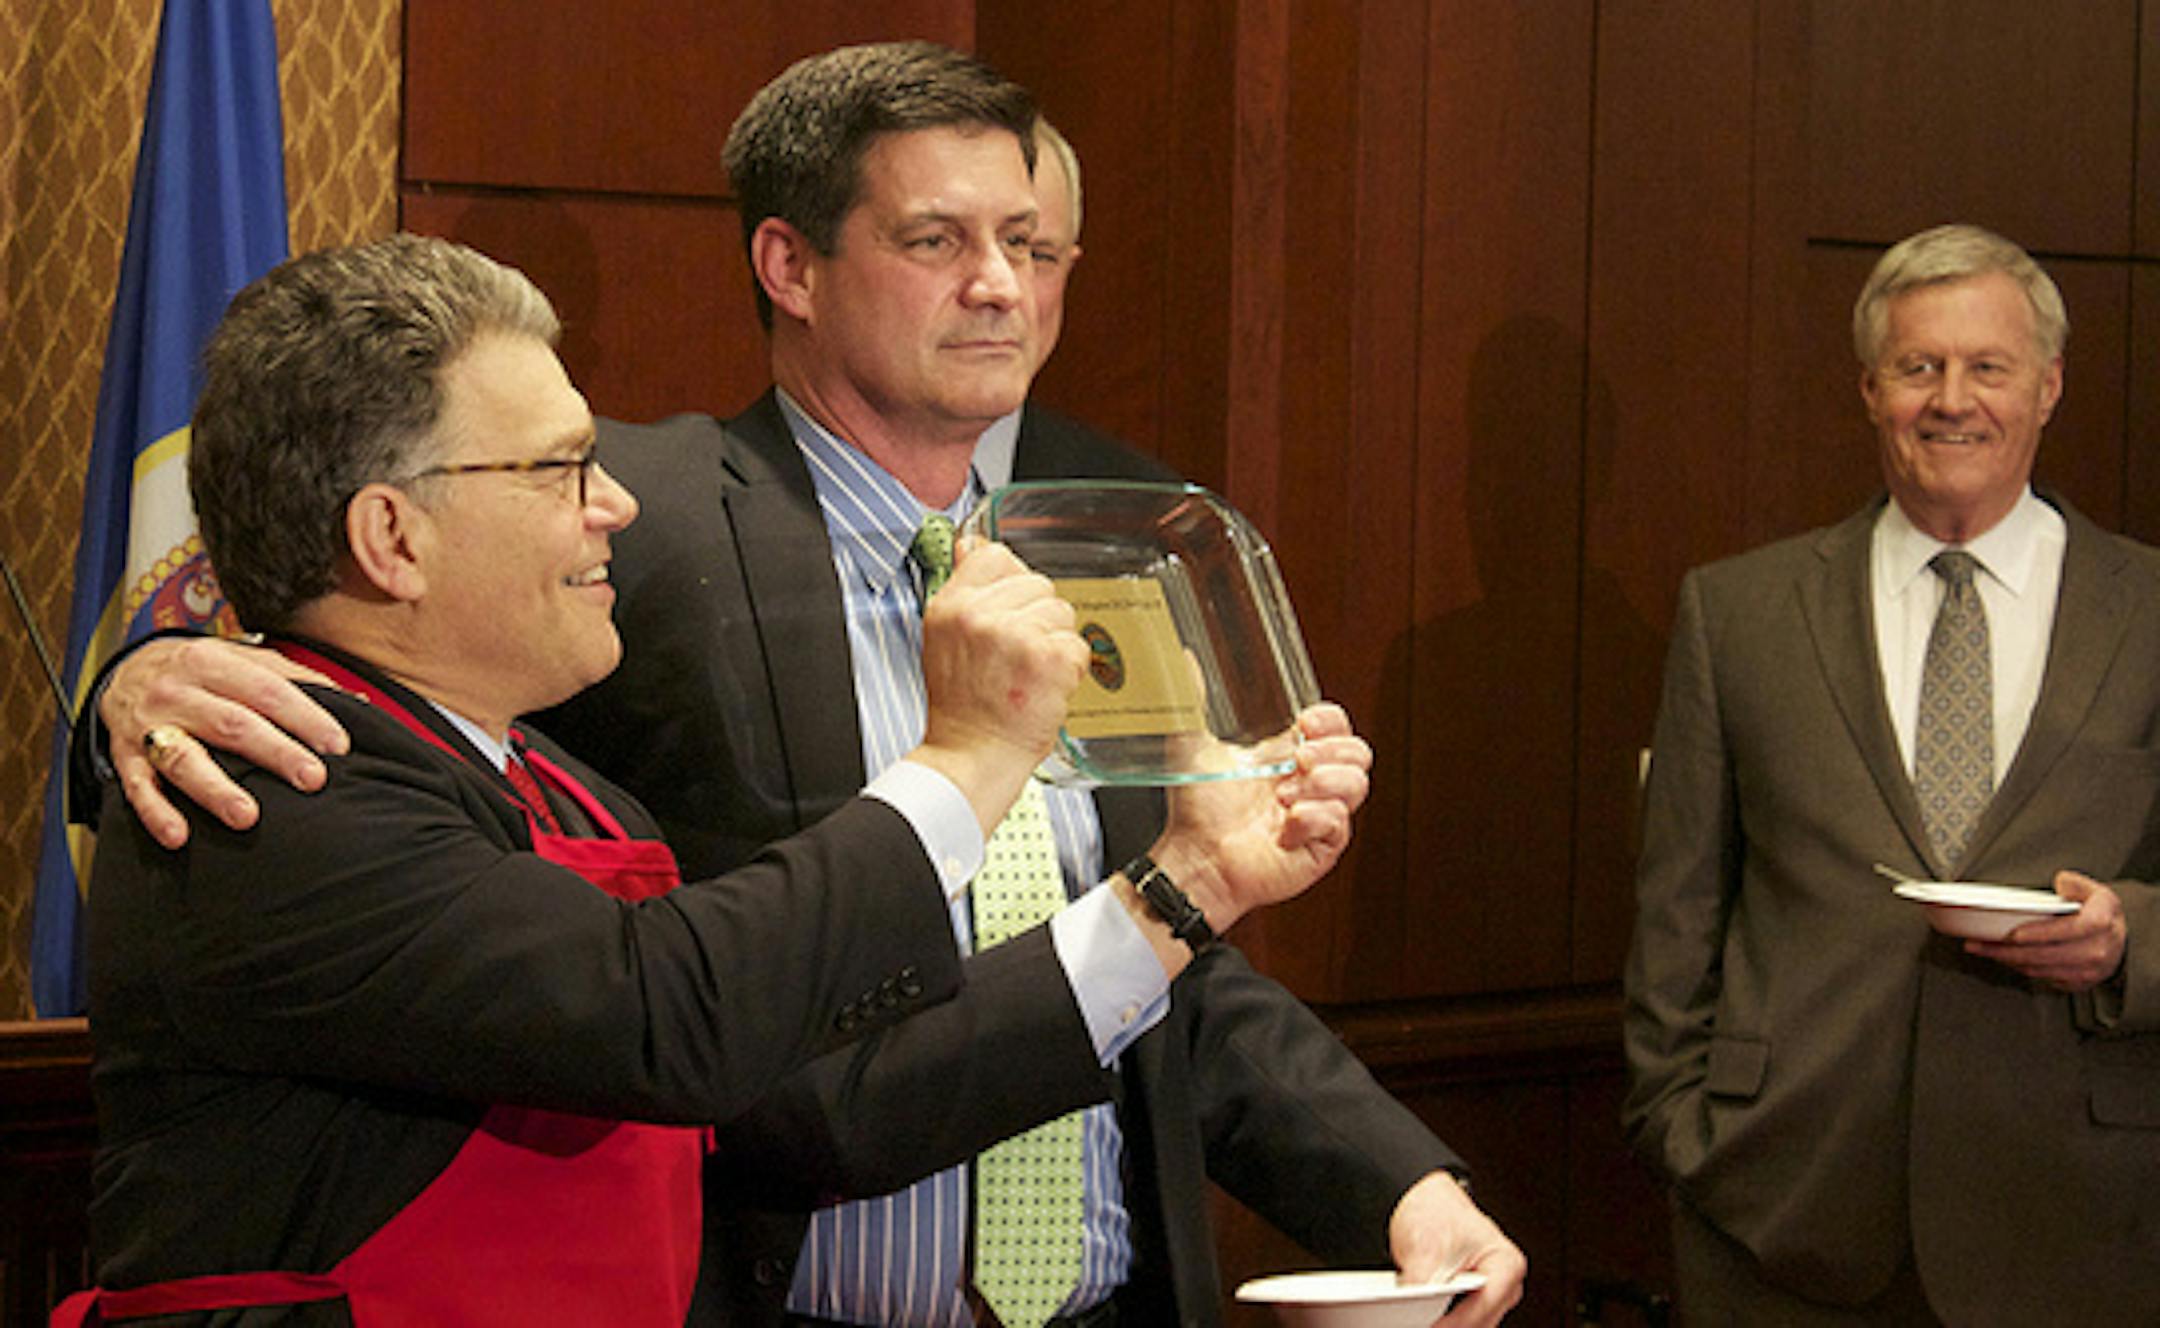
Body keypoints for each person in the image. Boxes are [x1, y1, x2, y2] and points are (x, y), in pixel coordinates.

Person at [82, 42, 1524, 1328]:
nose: (999, 285)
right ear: (791, 264)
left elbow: (1156, 944)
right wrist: (138, 685)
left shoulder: (1122, 527)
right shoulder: (629, 535)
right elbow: (345, 689)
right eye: (937, 238)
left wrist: (1389, 1175)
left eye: (1030, 241)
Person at [1623, 223, 2160, 1325]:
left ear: (2049, 387)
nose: (1951, 399)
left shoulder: (2151, 613)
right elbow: (1676, 912)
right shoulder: (1739, 613)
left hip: (2081, 1223)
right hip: (1779, 1217)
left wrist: (2129, 938)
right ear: (1871, 387)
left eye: (1988, 367)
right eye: (1919, 367)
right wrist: (1685, 1134)